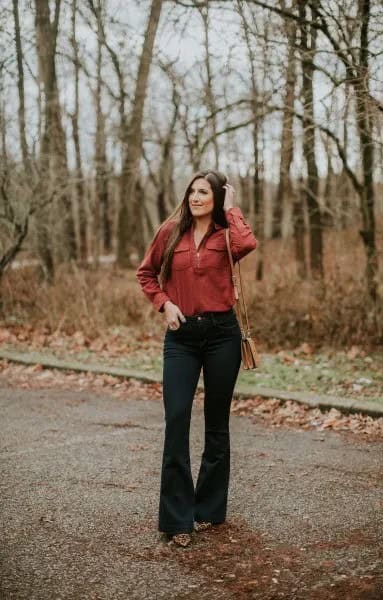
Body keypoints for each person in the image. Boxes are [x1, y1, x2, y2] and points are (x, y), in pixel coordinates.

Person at [135, 170, 257, 547]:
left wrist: (232, 209)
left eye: (204, 192)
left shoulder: (226, 233)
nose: (196, 197)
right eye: (192, 191)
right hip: (181, 337)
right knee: (176, 420)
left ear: (218, 197)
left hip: (222, 334)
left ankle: (208, 510)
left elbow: (247, 244)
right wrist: (165, 303)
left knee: (217, 425)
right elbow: (146, 274)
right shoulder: (169, 232)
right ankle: (176, 520)